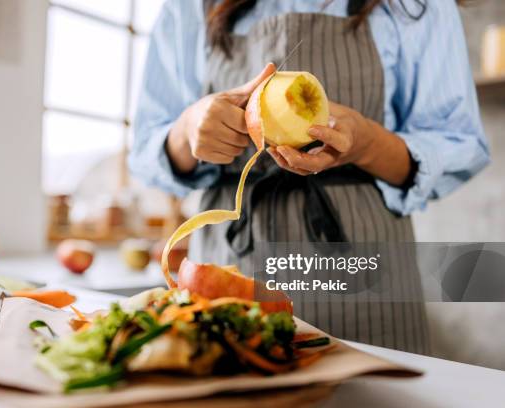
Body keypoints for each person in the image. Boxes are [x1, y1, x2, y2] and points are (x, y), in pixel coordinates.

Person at [129, 0, 490, 354]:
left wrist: (366, 144)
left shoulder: (417, 5)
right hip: (231, 262)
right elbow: (146, 149)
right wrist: (188, 129)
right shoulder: (188, 6)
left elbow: (458, 144)